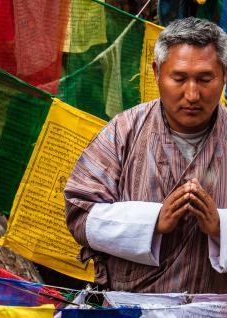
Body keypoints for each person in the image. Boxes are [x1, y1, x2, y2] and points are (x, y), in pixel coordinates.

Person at [64, 17, 227, 293]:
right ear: (156, 73)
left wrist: (219, 227)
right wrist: (152, 222)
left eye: (204, 79)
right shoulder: (124, 130)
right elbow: (79, 214)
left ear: (224, 75)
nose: (192, 94)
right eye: (179, 78)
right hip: (133, 307)